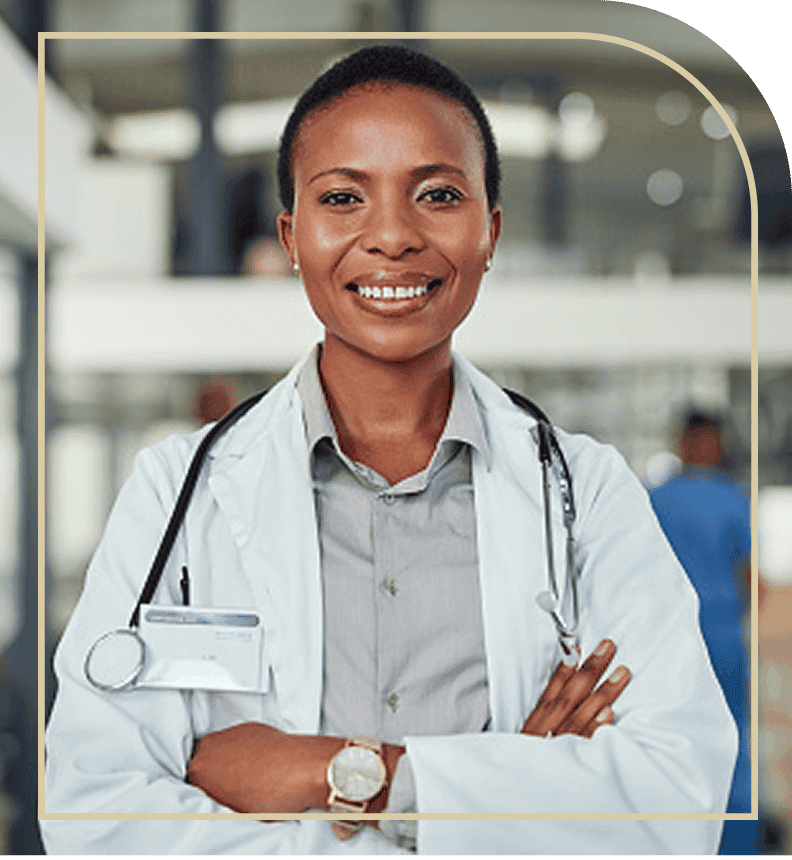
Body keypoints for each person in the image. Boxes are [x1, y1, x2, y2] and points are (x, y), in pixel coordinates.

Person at [42, 46, 737, 856]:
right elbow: (96, 817)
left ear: (491, 233)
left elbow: (675, 805)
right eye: (343, 197)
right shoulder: (175, 492)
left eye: (438, 195)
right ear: (291, 238)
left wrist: (353, 773)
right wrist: (507, 789)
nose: (393, 236)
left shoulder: (586, 490)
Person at [650, 409, 756, 855]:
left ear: (681, 442)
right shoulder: (732, 498)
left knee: (667, 734)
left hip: (668, 640)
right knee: (734, 734)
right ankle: (738, 838)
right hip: (724, 636)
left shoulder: (653, 498)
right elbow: (750, 578)